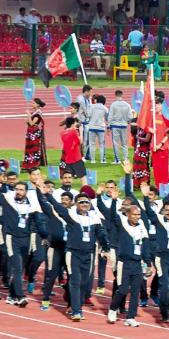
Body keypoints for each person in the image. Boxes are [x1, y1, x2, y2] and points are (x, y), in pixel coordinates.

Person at [36, 183, 107, 318]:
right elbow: (57, 207)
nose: (85, 204)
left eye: (87, 202)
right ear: (76, 204)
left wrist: (106, 248)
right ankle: (75, 310)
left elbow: (101, 233)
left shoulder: (94, 217)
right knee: (73, 279)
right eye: (81, 202)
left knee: (84, 283)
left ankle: (77, 306)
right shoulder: (70, 215)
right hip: (72, 252)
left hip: (89, 253)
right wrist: (47, 194)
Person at [139, 179, 169, 323]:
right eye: (167, 210)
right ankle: (164, 313)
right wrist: (145, 197)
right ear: (164, 211)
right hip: (161, 257)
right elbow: (149, 211)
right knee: (165, 286)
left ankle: (167, 311)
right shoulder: (159, 220)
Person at [105, 192, 150, 327]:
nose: (137, 217)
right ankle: (113, 308)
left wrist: (148, 263)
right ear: (128, 214)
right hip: (124, 263)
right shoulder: (122, 224)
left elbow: (146, 245)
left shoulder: (142, 226)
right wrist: (113, 201)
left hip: (137, 264)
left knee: (135, 291)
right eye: (134, 214)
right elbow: (113, 215)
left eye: (138, 215)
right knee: (123, 289)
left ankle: (131, 317)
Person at [108, 90, 133, 164]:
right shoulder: (127, 105)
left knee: (116, 143)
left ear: (115, 95)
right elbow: (130, 116)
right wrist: (127, 121)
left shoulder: (113, 105)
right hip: (124, 126)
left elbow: (110, 116)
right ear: (122, 95)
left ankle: (117, 160)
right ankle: (125, 159)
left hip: (115, 125)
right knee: (124, 143)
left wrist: (108, 126)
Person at [23, 99, 47, 172]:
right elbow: (27, 122)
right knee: (29, 148)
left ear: (38, 105)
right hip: (30, 132)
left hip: (34, 133)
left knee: (34, 148)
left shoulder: (38, 113)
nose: (32, 104)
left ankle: (34, 164)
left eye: (33, 103)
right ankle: (28, 163)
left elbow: (32, 123)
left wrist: (29, 115)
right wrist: (28, 117)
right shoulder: (34, 113)